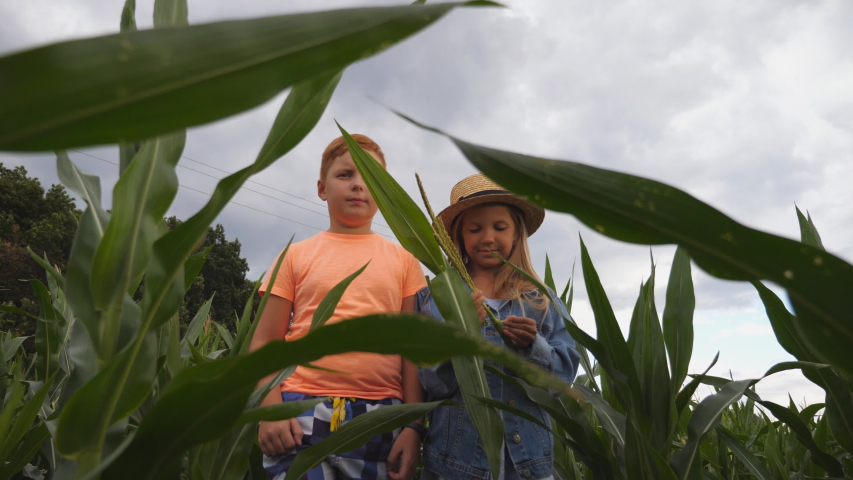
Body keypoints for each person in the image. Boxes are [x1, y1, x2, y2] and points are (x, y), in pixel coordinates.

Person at [250, 134, 427, 480]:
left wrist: (413, 426)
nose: (358, 185)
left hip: (380, 419)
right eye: (346, 174)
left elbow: (412, 352)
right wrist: (269, 407)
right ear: (322, 188)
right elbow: (264, 342)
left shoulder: (406, 262)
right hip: (298, 413)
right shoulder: (295, 256)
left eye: (369, 178)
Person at [416, 173, 580, 480]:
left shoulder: (542, 301)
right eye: (474, 229)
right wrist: (459, 338)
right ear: (458, 236)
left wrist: (533, 347)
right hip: (455, 466)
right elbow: (432, 385)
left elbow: (561, 381)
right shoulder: (439, 298)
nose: (487, 237)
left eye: (499, 227)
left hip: (527, 466)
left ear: (517, 233)